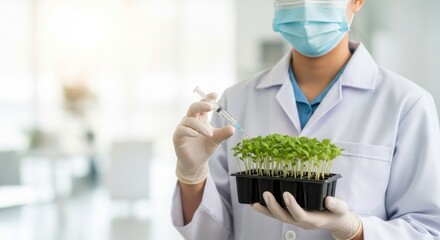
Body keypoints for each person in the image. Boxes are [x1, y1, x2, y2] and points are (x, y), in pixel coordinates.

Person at [171, 0, 440, 239]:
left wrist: (355, 230)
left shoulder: (407, 104)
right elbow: (213, 233)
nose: (307, 5)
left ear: (357, 1)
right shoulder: (236, 100)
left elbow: (426, 229)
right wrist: (192, 176)